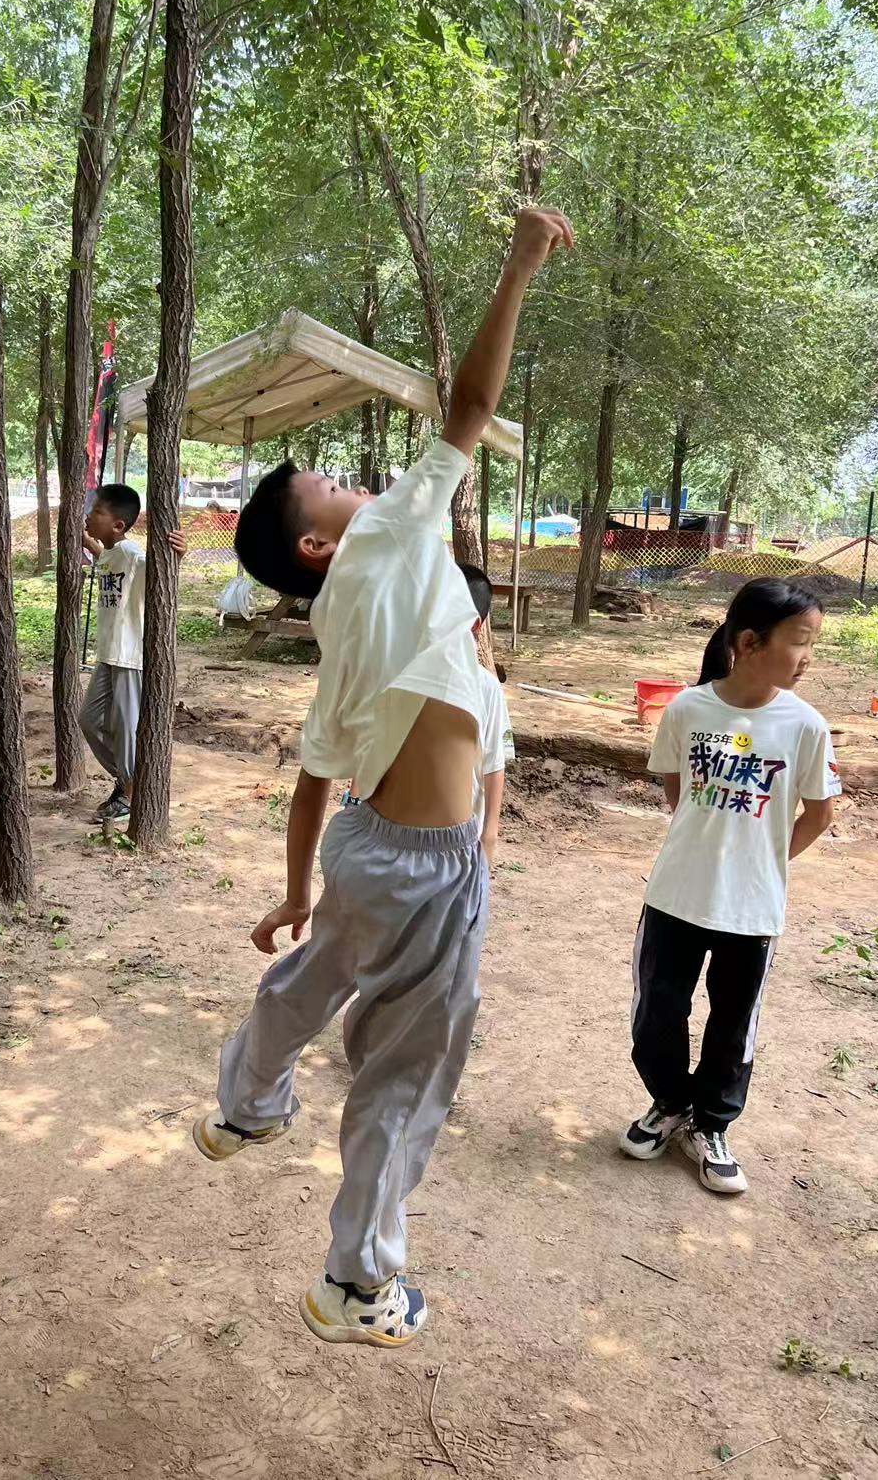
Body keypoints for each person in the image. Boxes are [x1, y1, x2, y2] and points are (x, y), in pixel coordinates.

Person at [194, 205, 573, 1348]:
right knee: (406, 1075)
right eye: (330, 485)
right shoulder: (390, 537)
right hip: (424, 867)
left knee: (314, 973)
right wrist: (517, 265)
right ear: (318, 543)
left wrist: (298, 887)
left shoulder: (356, 625)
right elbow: (470, 404)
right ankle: (355, 1284)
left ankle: (245, 1101)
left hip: (367, 848)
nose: (355, 483)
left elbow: (319, 778)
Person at [619, 578, 841, 1196]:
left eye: (812, 643)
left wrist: (762, 861)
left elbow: (819, 813)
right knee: (658, 1009)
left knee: (733, 1020)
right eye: (799, 641)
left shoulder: (805, 726)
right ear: (749, 642)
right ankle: (670, 1104)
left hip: (752, 906)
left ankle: (711, 1125)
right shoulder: (688, 710)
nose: (808, 657)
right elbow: (679, 794)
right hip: (676, 895)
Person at [80, 483, 187, 822]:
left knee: (126, 727)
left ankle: (130, 794)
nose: (89, 515)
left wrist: (178, 555)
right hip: (108, 655)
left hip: (129, 656)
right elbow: (105, 557)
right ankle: (128, 780)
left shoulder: (133, 555)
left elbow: (153, 569)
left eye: (97, 511)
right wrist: (88, 542)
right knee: (89, 720)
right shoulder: (111, 552)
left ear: (118, 525)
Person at [457, 562, 515, 865]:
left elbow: (495, 761)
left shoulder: (487, 688)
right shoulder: (407, 677)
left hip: (463, 836)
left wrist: (489, 834)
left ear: (474, 625)